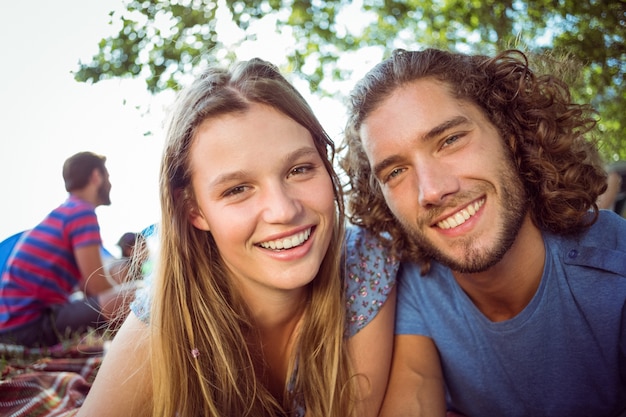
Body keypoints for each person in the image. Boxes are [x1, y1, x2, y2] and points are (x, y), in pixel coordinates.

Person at [77, 58, 396, 417]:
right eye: (237, 189)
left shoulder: (365, 263)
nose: (283, 211)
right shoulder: (168, 323)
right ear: (193, 211)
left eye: (300, 169)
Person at [340, 48, 626, 416]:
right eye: (395, 172)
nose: (431, 190)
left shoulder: (615, 269)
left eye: (450, 140)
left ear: (508, 134)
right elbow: (415, 390)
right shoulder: (415, 281)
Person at [0, 151, 135, 347]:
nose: (111, 184)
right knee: (138, 296)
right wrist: (128, 291)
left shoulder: (65, 213)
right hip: (27, 329)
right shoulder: (81, 212)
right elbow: (96, 286)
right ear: (96, 176)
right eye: (108, 177)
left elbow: (86, 287)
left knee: (123, 290)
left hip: (11, 329)